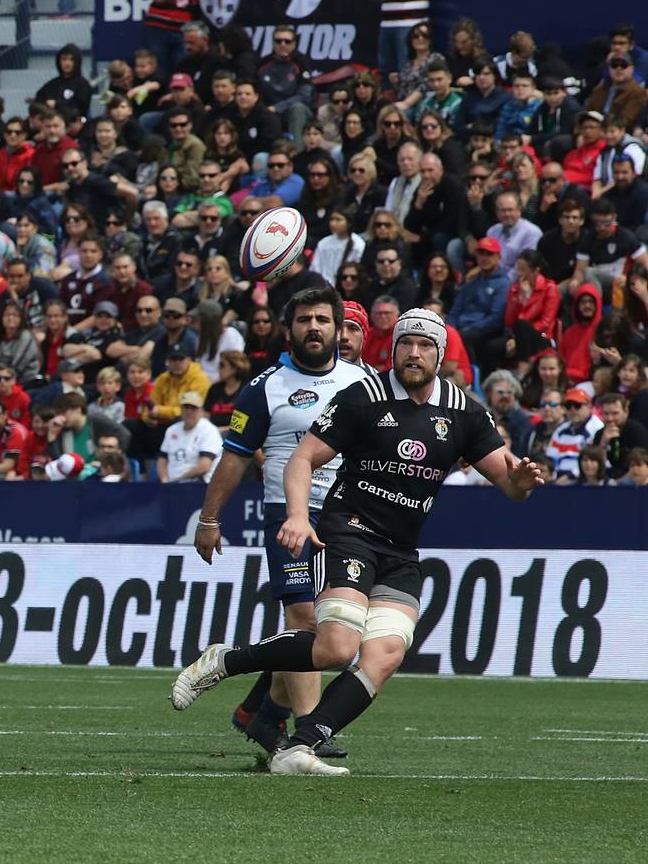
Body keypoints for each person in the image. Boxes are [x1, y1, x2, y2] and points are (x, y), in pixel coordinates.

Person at [174, 307, 541, 776]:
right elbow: (302, 458)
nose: (413, 352)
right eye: (405, 343)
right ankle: (225, 661)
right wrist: (300, 516)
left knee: (384, 654)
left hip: (401, 551)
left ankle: (297, 749)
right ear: (392, 349)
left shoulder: (464, 410)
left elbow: (509, 483)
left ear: (441, 355)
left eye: (425, 345)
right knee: (337, 647)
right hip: (348, 532)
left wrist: (522, 483)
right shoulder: (362, 396)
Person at [192, 287, 371, 757]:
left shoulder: (363, 383)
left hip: (348, 519)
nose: (314, 327)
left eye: (323, 320)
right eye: (304, 320)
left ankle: (263, 712)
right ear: (287, 330)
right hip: (287, 516)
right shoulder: (264, 386)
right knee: (305, 619)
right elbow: (231, 459)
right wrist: (209, 519)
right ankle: (308, 732)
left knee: (340, 636)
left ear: (337, 329)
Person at [157, 391, 221, 483]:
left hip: (197, 484)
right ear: (181, 409)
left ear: (201, 411)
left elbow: (204, 466)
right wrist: (164, 480)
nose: (189, 411)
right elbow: (162, 459)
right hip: (170, 485)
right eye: (186, 407)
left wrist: (177, 481)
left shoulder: (209, 430)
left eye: (193, 408)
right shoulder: (172, 430)